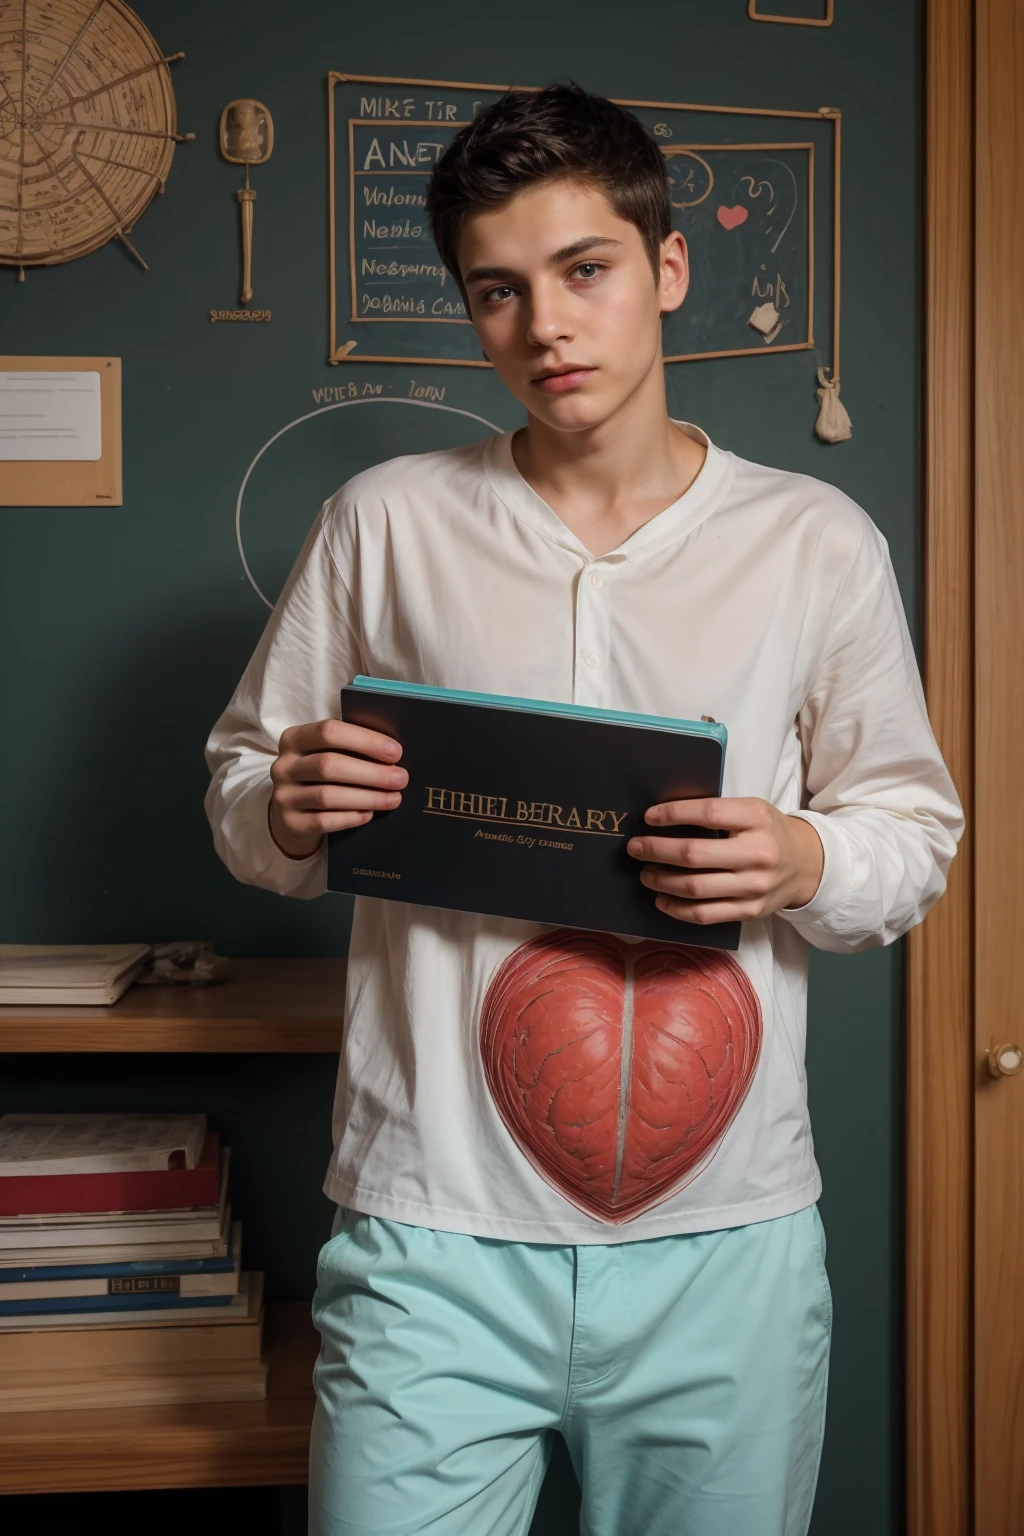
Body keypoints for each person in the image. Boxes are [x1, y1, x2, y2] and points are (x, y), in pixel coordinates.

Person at [204, 83, 963, 1536]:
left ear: (667, 270)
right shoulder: (383, 520)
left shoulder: (815, 544)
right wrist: (288, 800)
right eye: (498, 291)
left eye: (584, 271)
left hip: (722, 1240)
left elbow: (912, 835)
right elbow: (244, 793)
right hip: (431, 1225)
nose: (544, 325)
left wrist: (804, 851)